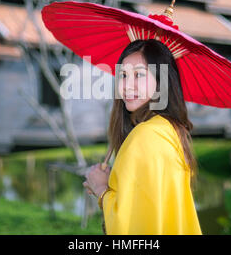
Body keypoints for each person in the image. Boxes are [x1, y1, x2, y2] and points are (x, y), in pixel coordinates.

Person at [83, 38, 202, 235]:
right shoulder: (168, 130)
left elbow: (130, 226)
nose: (127, 86)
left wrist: (101, 189)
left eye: (138, 75)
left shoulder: (145, 136)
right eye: (123, 75)